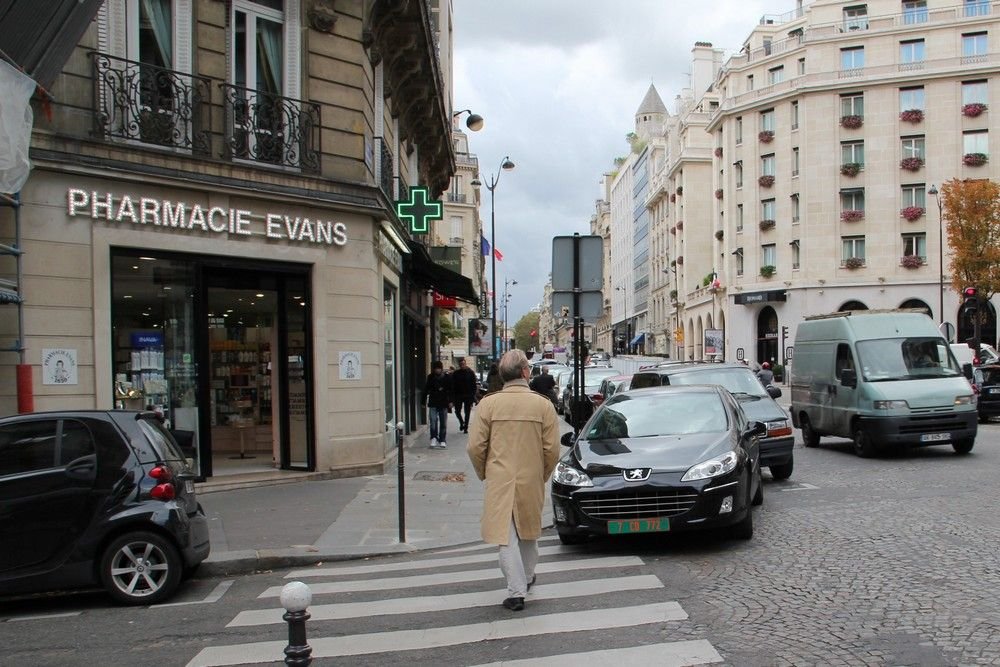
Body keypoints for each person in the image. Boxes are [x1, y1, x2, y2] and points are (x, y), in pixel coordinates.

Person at [467, 350, 560, 612]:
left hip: (500, 478)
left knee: (506, 536)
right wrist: (542, 474)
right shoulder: (543, 405)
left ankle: (516, 591)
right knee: (529, 531)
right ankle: (528, 578)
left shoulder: (488, 404)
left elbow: (475, 447)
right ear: (524, 372)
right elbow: (552, 449)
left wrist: (485, 471)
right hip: (530, 476)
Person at [423, 360, 452, 449]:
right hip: (433, 402)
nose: (437, 370)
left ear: (441, 369)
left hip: (443, 402)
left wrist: (451, 401)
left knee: (443, 422)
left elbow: (451, 390)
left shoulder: (447, 378)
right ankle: (433, 437)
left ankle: (442, 439)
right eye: (436, 369)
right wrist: (423, 401)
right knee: (433, 421)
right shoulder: (430, 377)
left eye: (439, 368)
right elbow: (426, 389)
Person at [450, 357, 479, 433]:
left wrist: (473, 395)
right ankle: (461, 422)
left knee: (467, 412)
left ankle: (465, 427)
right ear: (459, 365)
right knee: (457, 411)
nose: (462, 365)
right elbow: (453, 385)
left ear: (465, 364)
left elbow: (473, 385)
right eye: (461, 364)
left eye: (463, 364)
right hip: (458, 395)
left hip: (468, 395)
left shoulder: (470, 372)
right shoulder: (456, 373)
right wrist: (452, 397)